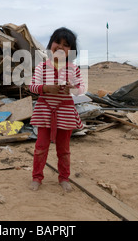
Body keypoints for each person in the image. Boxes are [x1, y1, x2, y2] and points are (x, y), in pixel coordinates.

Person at [28, 27, 86, 192]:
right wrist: (46, 89)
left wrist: (72, 88)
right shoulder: (41, 67)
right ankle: (37, 178)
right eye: (57, 42)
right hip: (45, 111)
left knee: (64, 150)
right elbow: (32, 86)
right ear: (50, 45)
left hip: (65, 112)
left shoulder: (73, 69)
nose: (60, 47)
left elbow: (81, 89)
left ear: (71, 51)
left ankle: (64, 178)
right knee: (40, 147)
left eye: (66, 45)